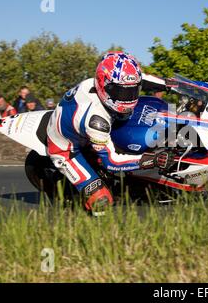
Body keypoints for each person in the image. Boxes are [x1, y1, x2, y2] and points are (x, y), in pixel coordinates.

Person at [46, 51, 168, 216]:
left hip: (81, 126)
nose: (129, 98)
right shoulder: (97, 119)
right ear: (105, 86)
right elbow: (112, 162)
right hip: (66, 148)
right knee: (102, 202)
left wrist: (172, 85)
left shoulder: (112, 81)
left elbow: (143, 79)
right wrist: (152, 160)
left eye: (133, 91)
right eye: (123, 93)